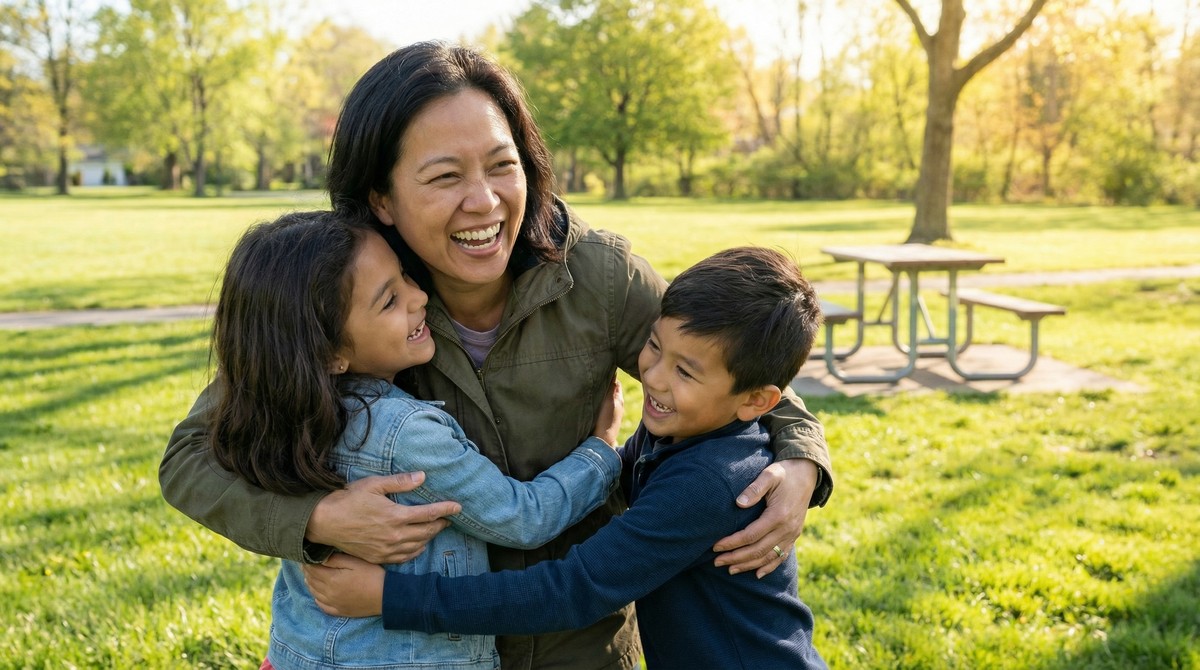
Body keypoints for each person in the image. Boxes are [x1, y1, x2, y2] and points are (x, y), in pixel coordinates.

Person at [160, 41, 835, 670]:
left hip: (583, 647)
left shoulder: (599, 275)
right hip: (410, 651)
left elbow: (739, 369)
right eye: (444, 175)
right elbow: (190, 457)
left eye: (501, 165)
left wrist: (803, 462)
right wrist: (315, 520)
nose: (483, 201)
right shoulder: (345, 300)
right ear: (381, 200)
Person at [303, 247, 828, 669]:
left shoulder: (712, 481)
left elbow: (573, 591)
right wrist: (601, 456)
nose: (654, 376)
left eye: (685, 372)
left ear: (755, 401)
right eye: (651, 346)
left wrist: (392, 598)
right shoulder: (681, 436)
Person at [206, 210, 626, 669]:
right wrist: (601, 450)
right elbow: (521, 518)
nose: (419, 295)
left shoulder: (275, 419)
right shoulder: (402, 433)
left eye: (405, 275)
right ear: (331, 354)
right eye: (388, 302)